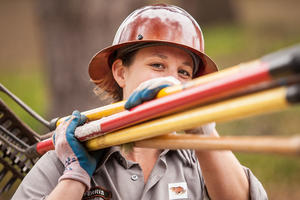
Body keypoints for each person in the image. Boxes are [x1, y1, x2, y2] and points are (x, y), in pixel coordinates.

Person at [12, 4, 267, 200]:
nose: (171, 81)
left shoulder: (202, 153)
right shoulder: (72, 150)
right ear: (121, 72)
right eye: (158, 65)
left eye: (183, 73)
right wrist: (75, 175)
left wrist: (202, 128)